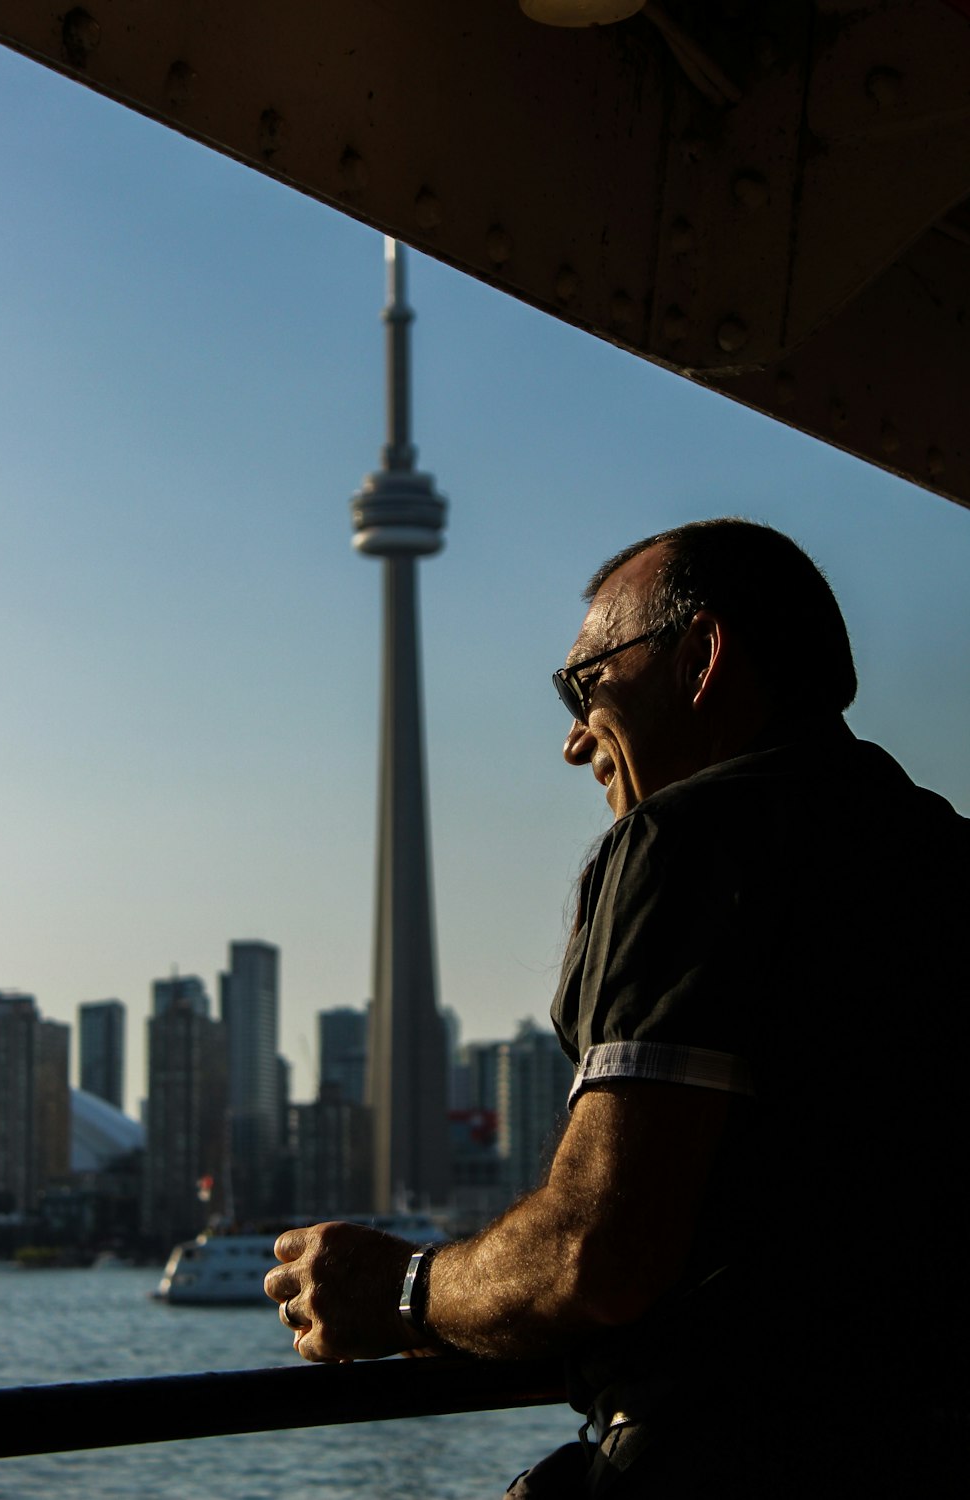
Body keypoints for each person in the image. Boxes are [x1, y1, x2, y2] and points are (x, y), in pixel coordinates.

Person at [265, 519, 969, 1496]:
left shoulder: (688, 842)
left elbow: (599, 1252)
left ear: (700, 658)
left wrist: (404, 1291)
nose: (570, 740)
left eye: (584, 685)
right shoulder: (938, 851)